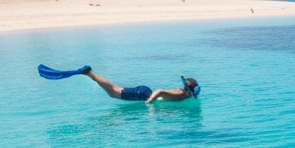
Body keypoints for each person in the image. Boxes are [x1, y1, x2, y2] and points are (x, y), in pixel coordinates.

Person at [39, 64, 200, 102]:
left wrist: (182, 78)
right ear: (190, 90)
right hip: (144, 94)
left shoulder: (185, 90)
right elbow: (160, 91)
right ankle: (90, 73)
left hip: (144, 91)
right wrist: (149, 103)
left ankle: (90, 74)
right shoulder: (181, 94)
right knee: (113, 92)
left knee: (114, 91)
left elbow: (184, 85)